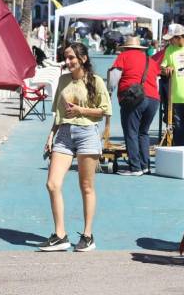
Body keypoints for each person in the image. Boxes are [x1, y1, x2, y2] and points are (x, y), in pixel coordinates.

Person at [40, 43, 111, 252]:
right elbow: (58, 113)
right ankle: (60, 235)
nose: (68, 61)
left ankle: (88, 235)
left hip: (87, 134)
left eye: (71, 58)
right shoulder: (63, 80)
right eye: (66, 58)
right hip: (63, 134)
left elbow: (104, 110)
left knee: (86, 186)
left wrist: (81, 109)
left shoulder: (95, 81)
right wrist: (51, 135)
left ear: (83, 59)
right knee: (52, 184)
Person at [109, 37, 160, 176]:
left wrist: (109, 92)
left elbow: (114, 76)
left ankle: (135, 167)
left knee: (131, 132)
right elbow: (157, 79)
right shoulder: (150, 60)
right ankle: (145, 166)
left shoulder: (123, 56)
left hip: (135, 97)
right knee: (143, 133)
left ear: (125, 47)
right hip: (153, 99)